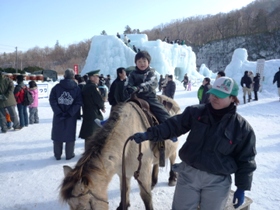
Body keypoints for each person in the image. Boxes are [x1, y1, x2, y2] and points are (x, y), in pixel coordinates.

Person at [131, 76, 257, 210]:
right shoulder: (196, 112)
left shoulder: (242, 128)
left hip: (217, 182)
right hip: (188, 175)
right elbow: (172, 126)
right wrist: (148, 134)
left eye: (220, 95)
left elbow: (246, 159)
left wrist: (241, 188)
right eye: (213, 93)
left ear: (232, 98)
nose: (214, 97)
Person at [124, 50, 171, 124]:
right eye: (139, 61)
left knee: (163, 115)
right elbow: (127, 82)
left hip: (149, 98)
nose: (142, 63)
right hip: (134, 97)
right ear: (136, 63)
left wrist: (138, 88)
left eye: (144, 61)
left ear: (148, 62)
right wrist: (128, 88)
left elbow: (151, 83)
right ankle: (108, 124)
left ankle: (171, 128)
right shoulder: (132, 74)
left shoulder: (151, 73)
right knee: (121, 109)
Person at [49, 69, 83, 160]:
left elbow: (52, 100)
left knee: (57, 135)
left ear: (64, 76)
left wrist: (58, 112)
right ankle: (69, 154)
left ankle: (57, 155)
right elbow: (78, 102)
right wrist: (70, 113)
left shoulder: (56, 88)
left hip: (58, 116)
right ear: (73, 77)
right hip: (70, 117)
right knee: (70, 135)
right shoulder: (76, 89)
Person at [79, 69, 105, 150]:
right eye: (97, 77)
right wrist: (102, 106)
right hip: (93, 112)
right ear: (92, 77)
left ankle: (87, 150)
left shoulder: (86, 86)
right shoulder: (93, 87)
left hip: (87, 111)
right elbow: (98, 99)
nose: (98, 78)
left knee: (88, 132)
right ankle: (90, 151)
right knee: (93, 132)